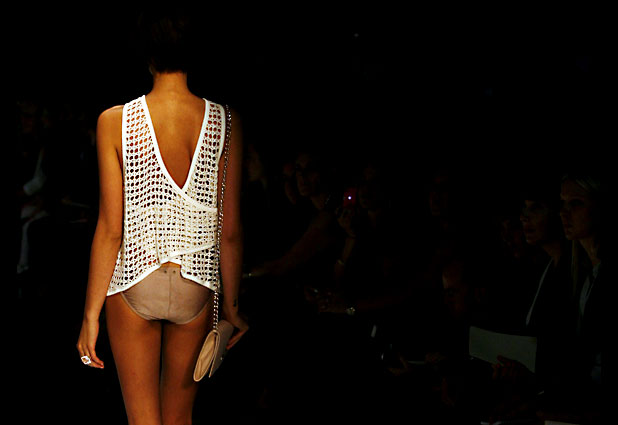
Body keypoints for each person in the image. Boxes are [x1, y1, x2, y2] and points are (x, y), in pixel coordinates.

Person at [75, 8, 248, 425]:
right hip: (196, 284)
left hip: (134, 279)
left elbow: (111, 228)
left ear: (146, 53)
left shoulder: (114, 122)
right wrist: (232, 307)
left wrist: (90, 315)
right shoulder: (225, 122)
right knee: (179, 419)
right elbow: (229, 231)